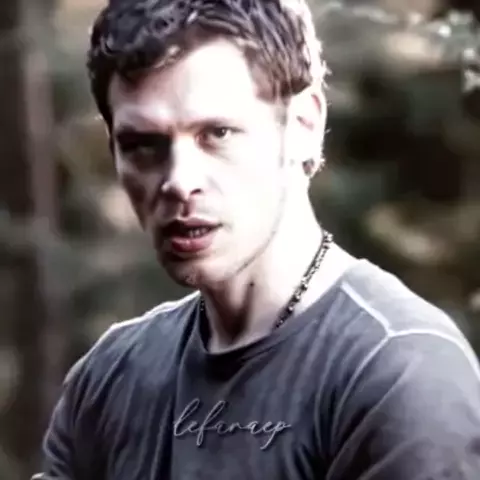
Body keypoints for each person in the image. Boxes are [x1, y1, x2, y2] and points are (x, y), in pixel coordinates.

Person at [33, 0, 480, 478]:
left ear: (303, 125)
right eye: (143, 145)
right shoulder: (110, 378)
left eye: (217, 133)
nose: (179, 181)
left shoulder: (400, 371)